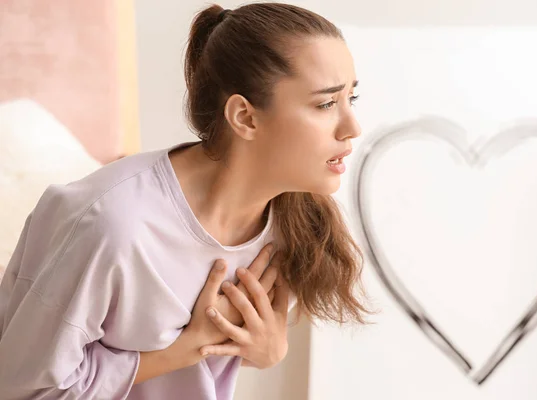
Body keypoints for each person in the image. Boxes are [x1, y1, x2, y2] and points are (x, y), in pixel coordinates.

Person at [0, 2, 371, 399]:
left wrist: (268, 351)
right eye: (326, 104)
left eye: (352, 98)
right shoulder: (111, 226)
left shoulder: (293, 221)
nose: (352, 127)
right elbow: (25, 388)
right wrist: (184, 349)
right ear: (244, 117)